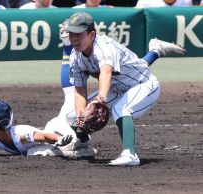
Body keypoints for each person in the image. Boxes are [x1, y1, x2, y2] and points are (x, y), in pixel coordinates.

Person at [64, 12, 185, 166]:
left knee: (121, 109)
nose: (73, 39)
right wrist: (81, 124)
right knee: (72, 116)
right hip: (120, 85)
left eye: (78, 34)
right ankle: (82, 145)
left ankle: (130, 154)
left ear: (91, 34)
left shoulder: (104, 47)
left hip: (143, 84)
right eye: (71, 34)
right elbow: (80, 90)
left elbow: (106, 72)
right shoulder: (76, 56)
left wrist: (101, 98)